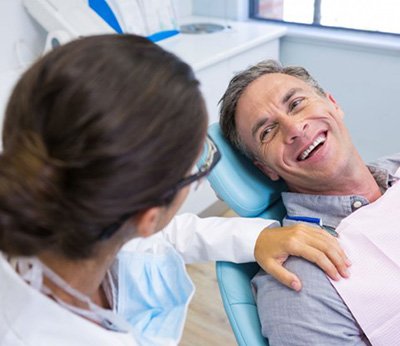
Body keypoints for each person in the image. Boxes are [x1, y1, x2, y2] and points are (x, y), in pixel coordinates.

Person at [0, 36, 348, 346]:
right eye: (200, 160)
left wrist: (255, 237)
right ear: (147, 217)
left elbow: (170, 236)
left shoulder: (82, 223)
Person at [219, 59, 400, 345]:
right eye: (267, 132)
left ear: (333, 104)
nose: (294, 128)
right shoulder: (299, 285)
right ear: (266, 168)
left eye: (296, 103)